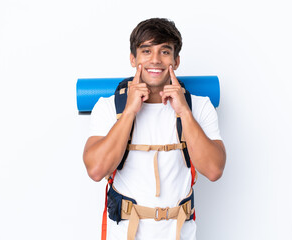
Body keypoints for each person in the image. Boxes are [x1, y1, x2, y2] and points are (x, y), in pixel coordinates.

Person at [83, 18, 226, 240]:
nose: (156, 60)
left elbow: (214, 170)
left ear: (176, 61)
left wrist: (184, 112)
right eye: (146, 51)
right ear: (133, 59)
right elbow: (96, 170)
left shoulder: (199, 106)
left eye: (165, 52)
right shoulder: (109, 107)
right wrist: (129, 111)